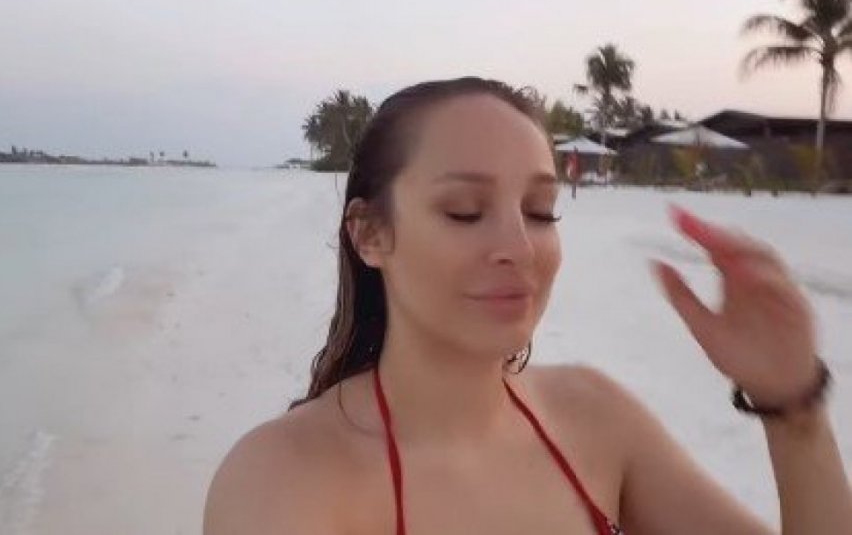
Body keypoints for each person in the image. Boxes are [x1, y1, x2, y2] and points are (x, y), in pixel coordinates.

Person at [204, 78, 851, 535]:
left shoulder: (594, 415)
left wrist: (791, 403)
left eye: (540, 211)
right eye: (465, 211)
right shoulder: (284, 478)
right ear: (370, 234)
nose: (519, 247)